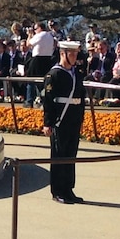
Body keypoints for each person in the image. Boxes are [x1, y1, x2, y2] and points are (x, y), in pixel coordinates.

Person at [42, 40, 87, 204]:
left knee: (70, 154)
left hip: (73, 118)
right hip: (60, 119)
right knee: (59, 155)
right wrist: (48, 123)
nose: (75, 57)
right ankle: (58, 190)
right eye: (71, 54)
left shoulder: (76, 73)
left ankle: (68, 189)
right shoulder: (54, 74)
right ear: (63, 54)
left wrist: (81, 118)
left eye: (76, 54)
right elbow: (47, 100)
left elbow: (81, 97)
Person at [25, 21, 55, 107]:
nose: (34, 31)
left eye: (35, 29)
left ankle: (29, 100)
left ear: (39, 28)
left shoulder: (39, 35)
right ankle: (44, 100)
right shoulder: (50, 36)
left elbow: (28, 44)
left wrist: (29, 35)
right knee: (44, 81)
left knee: (30, 80)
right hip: (48, 59)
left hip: (37, 59)